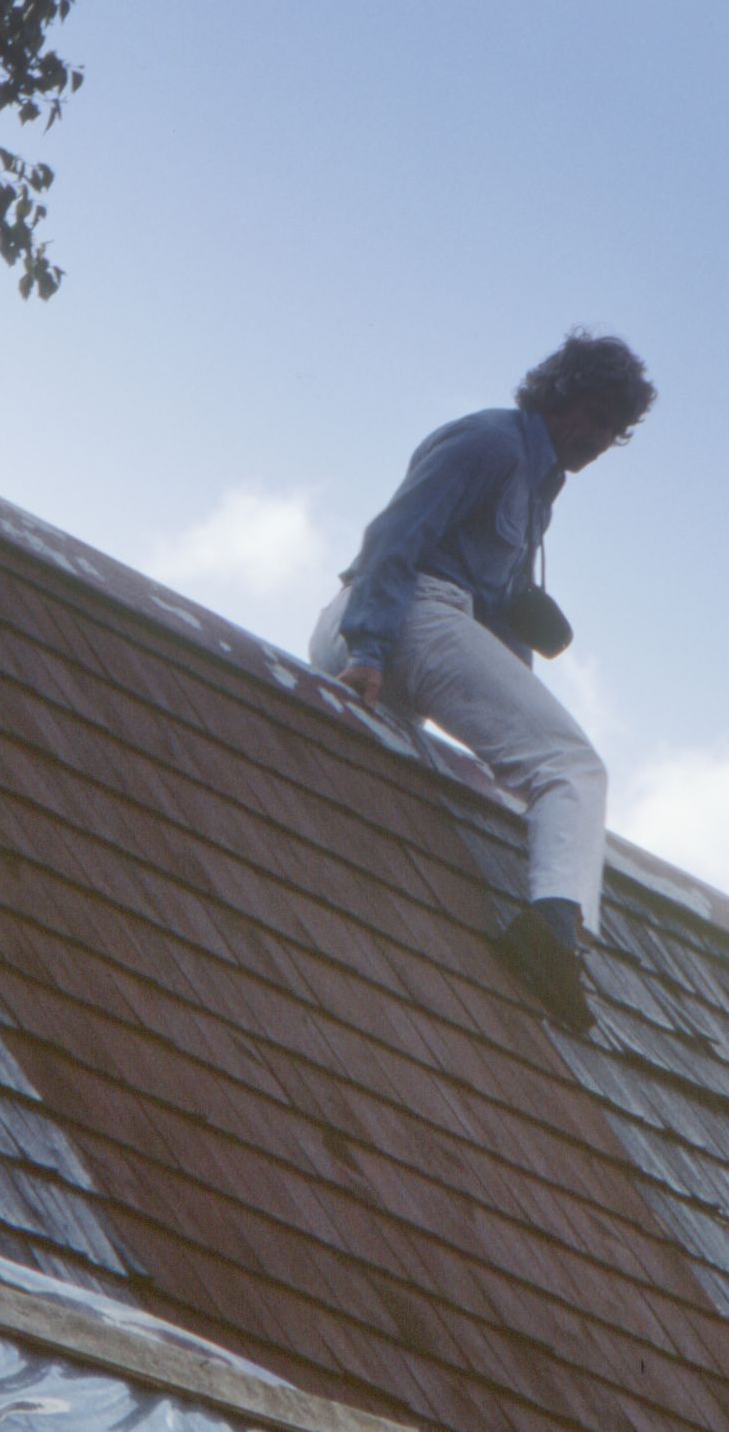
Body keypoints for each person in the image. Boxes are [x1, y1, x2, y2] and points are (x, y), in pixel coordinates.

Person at [310, 331, 655, 1032]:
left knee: (419, 783)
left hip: (414, 622)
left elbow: (490, 624)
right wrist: (369, 649)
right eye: (590, 415)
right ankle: (554, 933)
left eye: (611, 430)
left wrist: (519, 609)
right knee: (574, 766)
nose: (596, 438)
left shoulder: (539, 490)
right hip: (397, 613)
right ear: (558, 398)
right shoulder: (492, 441)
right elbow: (393, 538)